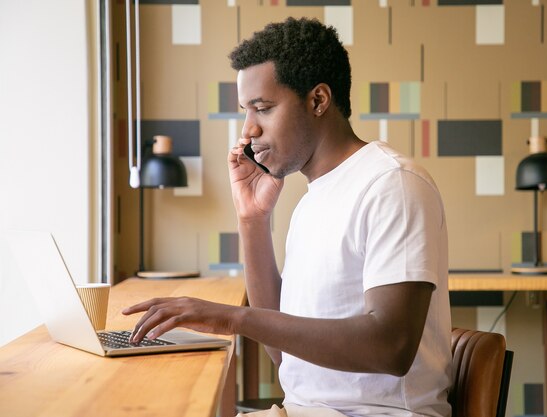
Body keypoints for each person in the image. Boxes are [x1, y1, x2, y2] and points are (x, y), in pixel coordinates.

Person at [123, 17, 452, 417]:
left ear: (317, 101)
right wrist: (252, 220)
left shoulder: (391, 183)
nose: (248, 131)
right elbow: (284, 353)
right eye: (246, 111)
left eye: (262, 108)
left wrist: (232, 318)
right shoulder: (312, 201)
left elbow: (391, 347)